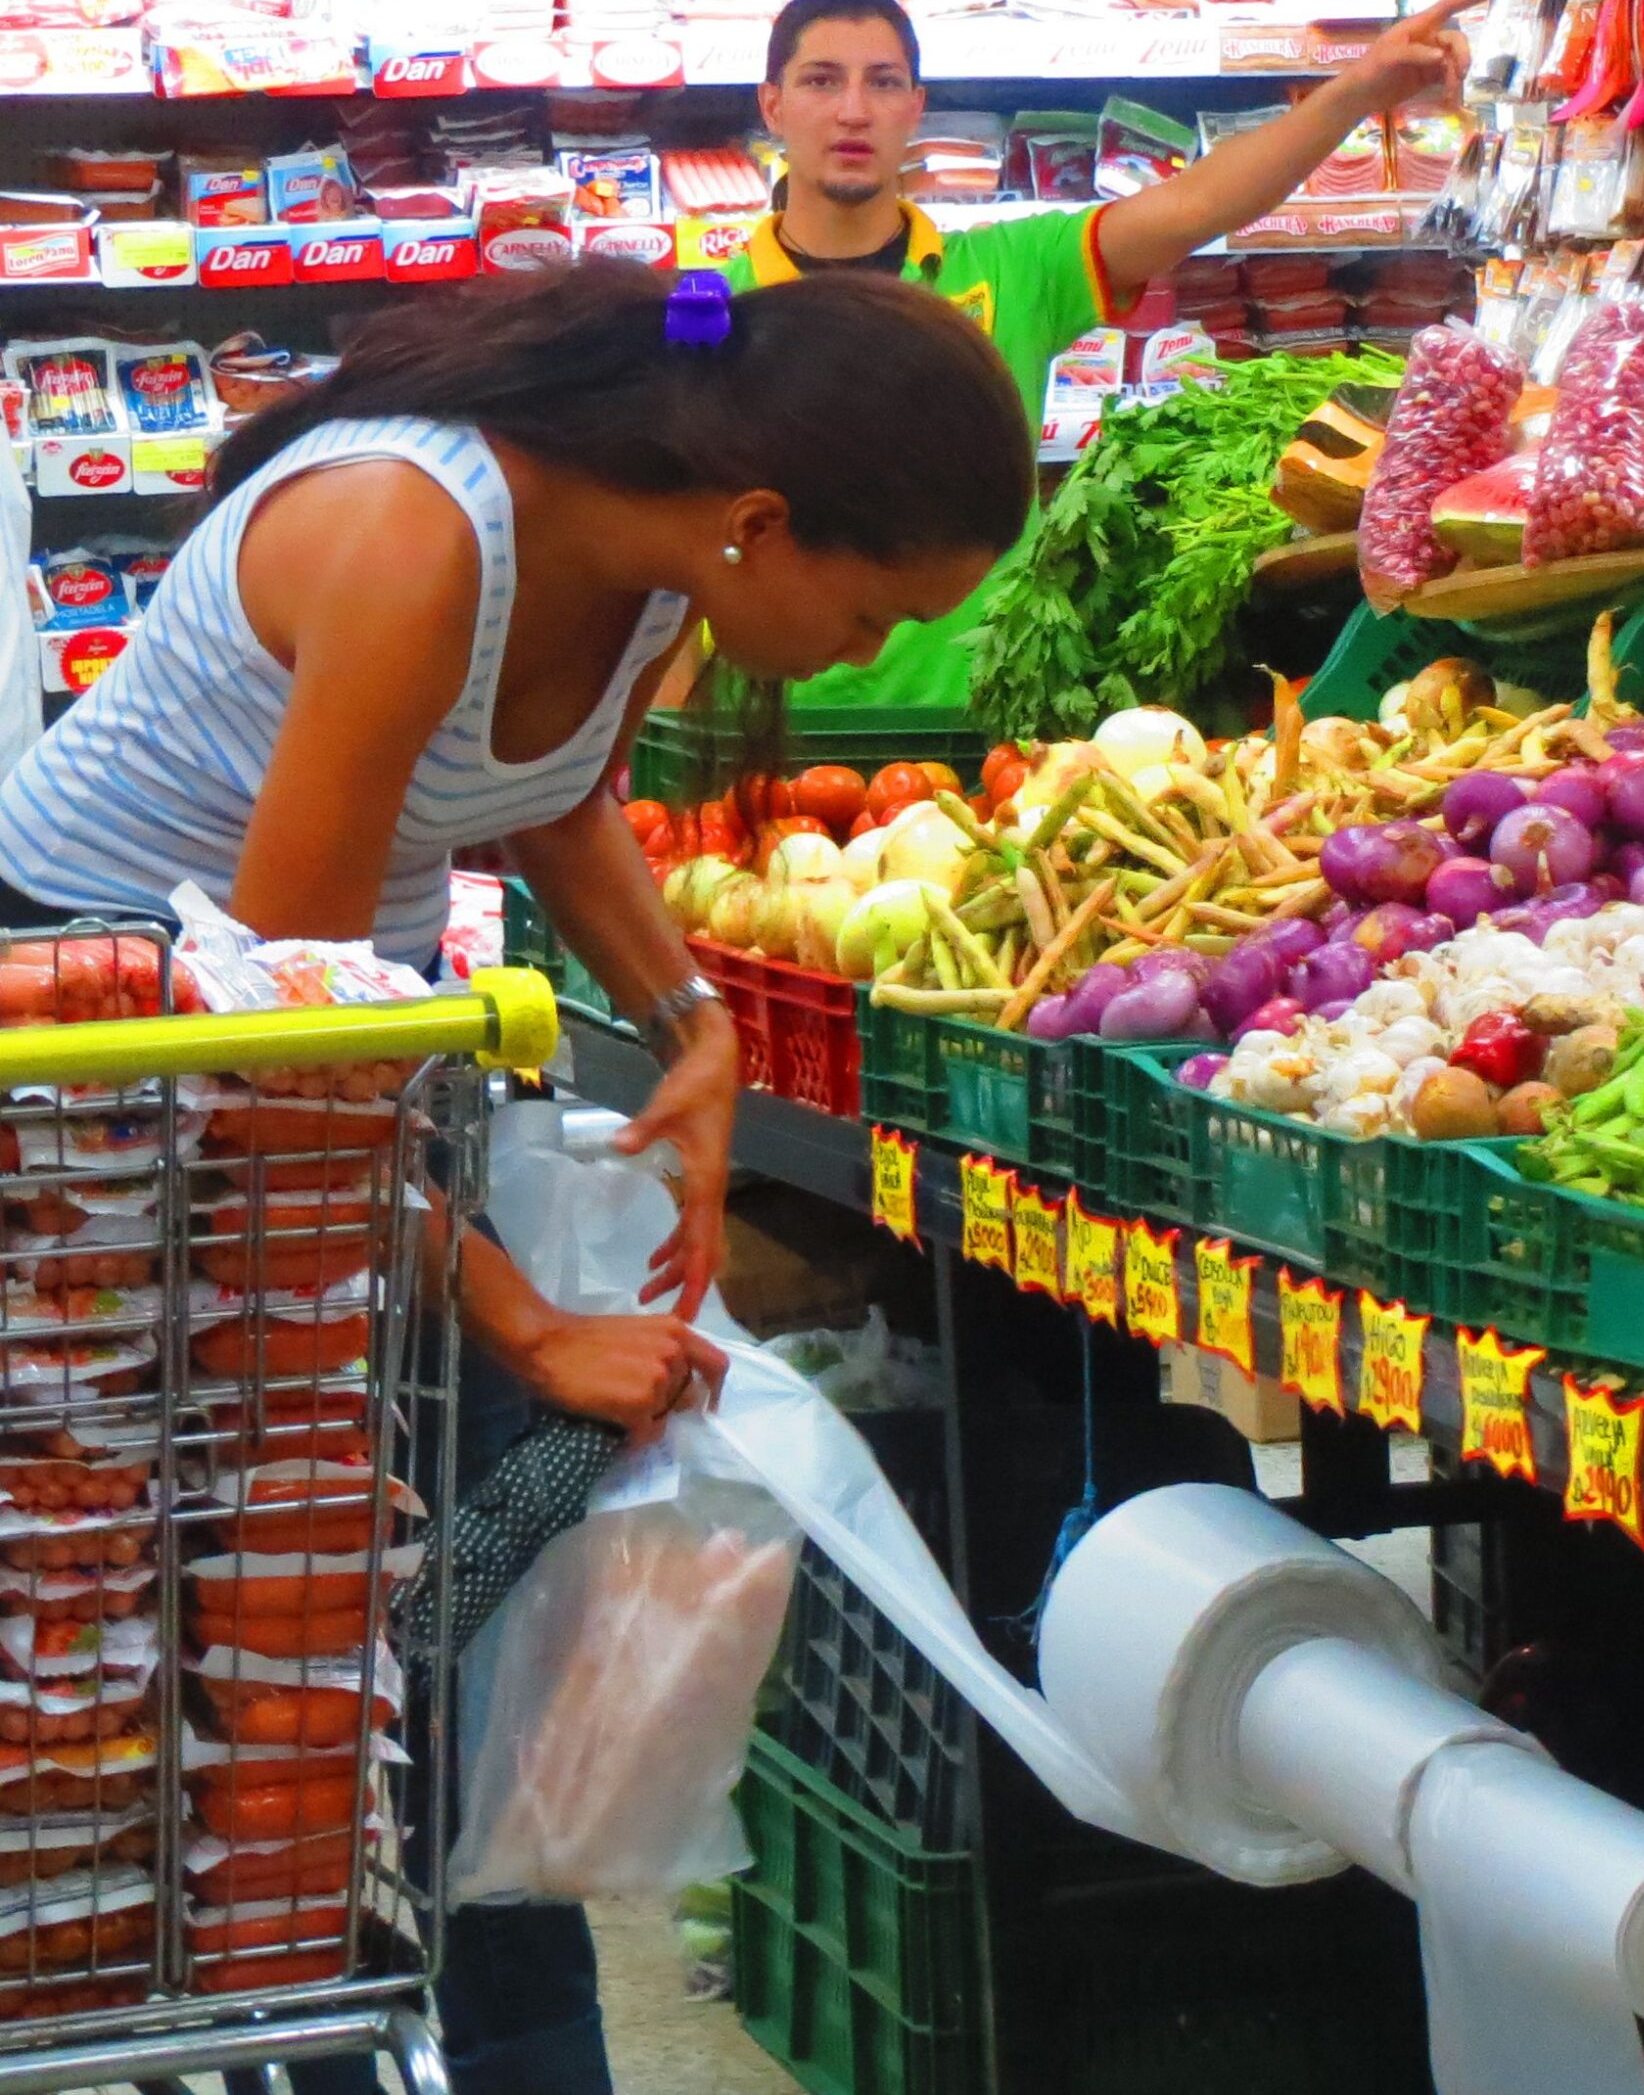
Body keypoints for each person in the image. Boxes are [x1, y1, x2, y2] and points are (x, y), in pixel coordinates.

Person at [0, 260, 1033, 2095]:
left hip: (331, 1042)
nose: (874, 662)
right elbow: (278, 1057)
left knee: (440, 1566)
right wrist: (528, 1321)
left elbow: (543, 790)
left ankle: (449, 1965)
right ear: (761, 522)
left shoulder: (647, 572)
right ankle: (306, 1996)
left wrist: (692, 1014)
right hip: (106, 1060)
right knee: (214, 1590)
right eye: (874, 615)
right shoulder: (413, 541)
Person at [721, 0, 1488, 707]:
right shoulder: (708, 310)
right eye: (823, 80)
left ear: (915, 107)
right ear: (773, 104)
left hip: (973, 718)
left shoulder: (1012, 271)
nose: (854, 110)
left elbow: (1199, 203)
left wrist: (1360, 87)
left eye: (883, 82)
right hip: (760, 718)